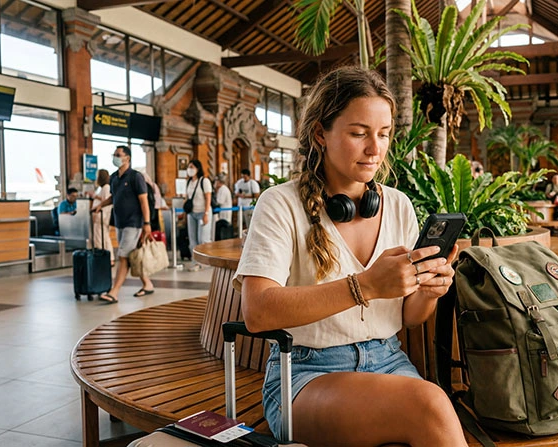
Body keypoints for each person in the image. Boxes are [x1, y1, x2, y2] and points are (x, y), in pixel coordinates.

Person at [234, 66, 467, 447]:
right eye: (359, 134)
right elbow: (257, 312)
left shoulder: (397, 206)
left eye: (384, 134)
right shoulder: (280, 205)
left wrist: (428, 291)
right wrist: (365, 286)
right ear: (320, 134)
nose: (375, 149)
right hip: (307, 374)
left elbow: (408, 318)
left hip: (389, 360)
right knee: (431, 406)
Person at [92, 145, 155, 303]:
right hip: (120, 222)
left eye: (118, 154)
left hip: (133, 223)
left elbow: (143, 201)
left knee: (123, 256)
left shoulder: (136, 177)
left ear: (127, 158)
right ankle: (147, 284)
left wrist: (146, 223)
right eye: (114, 154)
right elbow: (113, 197)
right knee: (131, 254)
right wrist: (101, 205)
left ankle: (114, 292)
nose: (115, 157)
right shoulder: (114, 177)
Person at [185, 159, 213, 271]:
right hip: (192, 213)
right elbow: (187, 197)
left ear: (198, 168)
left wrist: (206, 213)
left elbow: (208, 198)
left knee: (203, 239)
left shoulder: (204, 181)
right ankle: (196, 262)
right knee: (192, 240)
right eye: (189, 167)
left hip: (203, 212)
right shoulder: (189, 182)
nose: (190, 169)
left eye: (192, 167)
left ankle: (207, 261)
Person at [88, 170, 114, 264]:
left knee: (101, 237)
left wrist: (95, 196)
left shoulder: (106, 188)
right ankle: (107, 258)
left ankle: (105, 257)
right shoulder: (102, 188)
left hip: (102, 216)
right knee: (102, 237)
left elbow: (106, 200)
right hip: (99, 217)